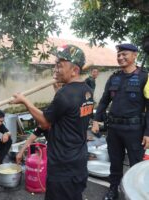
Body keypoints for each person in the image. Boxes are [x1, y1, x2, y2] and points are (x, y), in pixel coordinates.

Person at [13, 44, 94, 200]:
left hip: (62, 163)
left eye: (60, 66)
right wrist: (58, 91)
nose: (55, 69)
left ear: (75, 70)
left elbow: (45, 123)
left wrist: (25, 101)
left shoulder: (65, 94)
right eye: (55, 65)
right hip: (78, 160)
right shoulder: (86, 90)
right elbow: (69, 112)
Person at [92, 43, 149, 200]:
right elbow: (104, 101)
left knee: (136, 165)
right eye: (119, 55)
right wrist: (96, 120)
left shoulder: (145, 77)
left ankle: (136, 194)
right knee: (115, 163)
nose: (121, 57)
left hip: (135, 130)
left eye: (125, 54)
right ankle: (113, 190)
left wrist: (148, 133)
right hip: (114, 129)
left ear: (135, 55)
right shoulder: (114, 77)